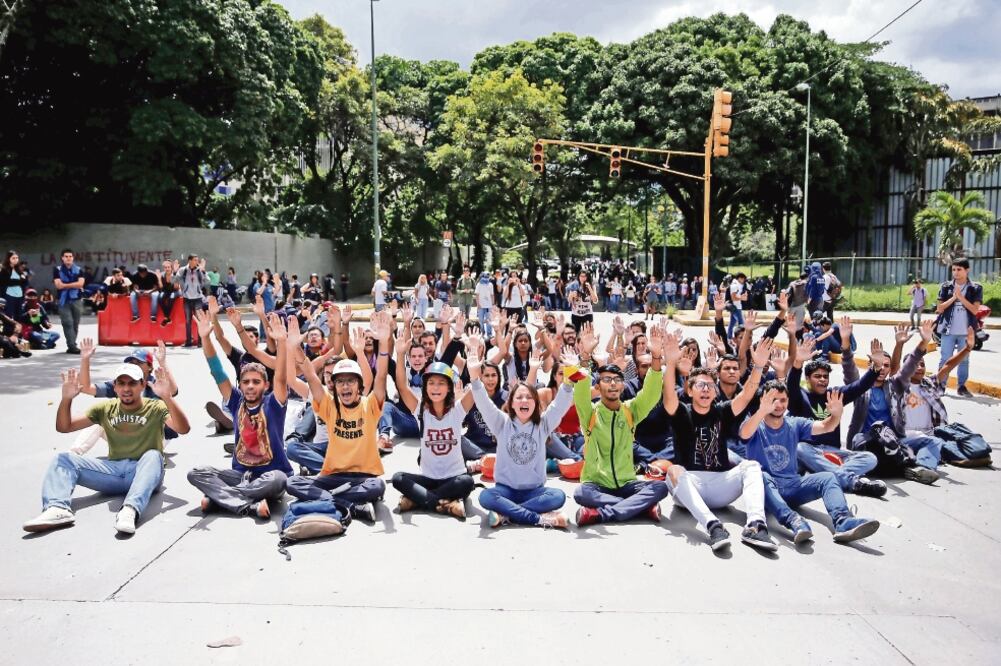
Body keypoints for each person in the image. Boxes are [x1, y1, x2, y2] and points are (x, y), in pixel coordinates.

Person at [23, 361, 190, 534]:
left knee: (154, 455)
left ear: (142, 385)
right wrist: (66, 400)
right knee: (63, 459)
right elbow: (64, 427)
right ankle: (57, 509)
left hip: (144, 471)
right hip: (114, 473)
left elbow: (183, 429)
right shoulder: (105, 408)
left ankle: (130, 510)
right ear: (115, 387)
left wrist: (167, 398)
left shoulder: (155, 407)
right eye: (121, 383)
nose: (126, 388)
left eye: (132, 383)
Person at [662, 332, 776, 552]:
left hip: (721, 485)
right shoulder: (681, 413)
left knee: (751, 466)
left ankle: (755, 526)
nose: (705, 389)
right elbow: (669, 397)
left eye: (709, 386)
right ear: (689, 390)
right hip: (690, 486)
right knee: (673, 470)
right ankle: (713, 526)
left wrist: (759, 367)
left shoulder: (722, 411)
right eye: (700, 385)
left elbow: (747, 394)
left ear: (715, 392)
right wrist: (670, 362)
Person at [284, 312, 394, 524]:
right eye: (340, 381)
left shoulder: (369, 405)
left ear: (360, 386)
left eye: (351, 381)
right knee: (292, 483)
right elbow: (310, 375)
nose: (345, 385)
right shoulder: (328, 404)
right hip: (333, 475)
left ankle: (327, 502)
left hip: (363, 476)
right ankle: (351, 505)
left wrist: (383, 344)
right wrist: (296, 347)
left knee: (377, 486)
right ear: (334, 385)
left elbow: (380, 376)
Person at [743, 382, 880, 544]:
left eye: (783, 400)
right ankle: (793, 520)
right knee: (761, 475)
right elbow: (745, 434)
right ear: (763, 401)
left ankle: (843, 522)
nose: (779, 405)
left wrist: (836, 415)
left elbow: (825, 426)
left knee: (828, 477)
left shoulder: (794, 423)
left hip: (793, 486)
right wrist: (761, 412)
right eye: (773, 400)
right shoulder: (754, 424)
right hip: (766, 490)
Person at [187, 311, 291, 518]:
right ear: (240, 385)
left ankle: (222, 499)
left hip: (271, 476)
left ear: (266, 385)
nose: (250, 386)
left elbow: (280, 377)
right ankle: (247, 505)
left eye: (256, 382)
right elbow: (217, 371)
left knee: (278, 480)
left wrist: (281, 344)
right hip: (241, 475)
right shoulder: (236, 401)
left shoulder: (274, 403)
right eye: (246, 382)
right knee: (196, 473)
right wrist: (206, 338)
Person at [467, 338, 579, 528]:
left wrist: (570, 374)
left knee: (558, 496)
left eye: (529, 397)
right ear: (511, 403)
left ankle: (506, 514)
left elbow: (560, 404)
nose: (524, 400)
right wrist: (474, 376)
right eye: (519, 397)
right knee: (485, 496)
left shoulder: (542, 424)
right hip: (505, 490)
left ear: (535, 403)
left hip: (535, 491)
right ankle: (539, 518)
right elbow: (484, 403)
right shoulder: (501, 423)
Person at [573, 324, 669, 527]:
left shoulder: (630, 410)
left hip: (627, 483)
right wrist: (584, 357)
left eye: (617, 379)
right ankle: (640, 507)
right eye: (607, 380)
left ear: (623, 385)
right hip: (597, 484)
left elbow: (651, 394)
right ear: (598, 387)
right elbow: (579, 391)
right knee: (581, 493)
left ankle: (601, 514)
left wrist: (657, 356)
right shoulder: (590, 413)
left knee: (661, 488)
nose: (613, 383)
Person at [786, 327, 885, 497]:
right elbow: (791, 386)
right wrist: (797, 364)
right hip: (810, 452)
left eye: (826, 376)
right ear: (808, 379)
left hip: (834, 453)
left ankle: (829, 474)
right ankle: (852, 482)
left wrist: (875, 368)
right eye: (818, 376)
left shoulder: (835, 394)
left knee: (870, 458)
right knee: (800, 448)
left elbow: (859, 387)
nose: (823, 380)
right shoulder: (799, 396)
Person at [847, 320, 945, 484]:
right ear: (870, 365)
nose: (882, 368)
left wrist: (923, 342)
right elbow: (848, 369)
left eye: (886, 365)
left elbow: (910, 364)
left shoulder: (894, 386)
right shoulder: (860, 388)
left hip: (893, 440)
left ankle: (920, 468)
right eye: (878, 364)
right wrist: (845, 345)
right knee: (862, 444)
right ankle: (902, 463)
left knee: (933, 441)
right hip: (867, 440)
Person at [935, 258, 982, 397]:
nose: (956, 272)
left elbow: (974, 310)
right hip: (948, 330)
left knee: (964, 360)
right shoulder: (945, 286)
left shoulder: (975, 288)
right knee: (945, 358)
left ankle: (961, 386)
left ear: (967, 270)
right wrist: (954, 298)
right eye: (953, 269)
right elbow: (940, 308)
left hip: (966, 332)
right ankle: (940, 385)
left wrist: (961, 297)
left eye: (959, 269)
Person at [52, 249, 85, 354]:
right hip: (63, 300)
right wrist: (73, 285)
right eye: (66, 256)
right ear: (62, 258)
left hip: (77, 299)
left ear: (73, 258)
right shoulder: (57, 269)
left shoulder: (79, 269)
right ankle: (72, 346)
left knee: (75, 323)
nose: (68, 258)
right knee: (67, 323)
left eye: (70, 256)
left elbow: (80, 284)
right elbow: (58, 285)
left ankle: (71, 344)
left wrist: (65, 285)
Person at [175, 254, 207, 347]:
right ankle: (188, 341)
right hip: (187, 299)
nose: (197, 262)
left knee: (199, 320)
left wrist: (203, 271)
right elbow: (174, 281)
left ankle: (200, 342)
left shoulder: (199, 270)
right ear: (189, 261)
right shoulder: (183, 270)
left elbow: (207, 281)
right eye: (195, 260)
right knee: (188, 321)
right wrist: (175, 271)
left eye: (197, 260)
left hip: (197, 299)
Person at [1, 250, 28, 318]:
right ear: (8, 259)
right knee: (8, 316)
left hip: (19, 295)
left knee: (19, 316)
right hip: (9, 295)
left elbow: (25, 282)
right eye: (13, 258)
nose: (16, 260)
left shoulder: (19, 269)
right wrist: (20, 280)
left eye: (17, 258)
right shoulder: (4, 269)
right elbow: (6, 282)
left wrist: (21, 280)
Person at [727, 273, 748, 339]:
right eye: (743, 279)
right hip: (736, 307)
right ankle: (741, 339)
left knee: (732, 324)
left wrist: (742, 297)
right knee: (741, 324)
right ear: (739, 278)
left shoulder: (736, 285)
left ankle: (729, 337)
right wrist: (742, 298)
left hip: (735, 307)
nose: (743, 281)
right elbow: (733, 298)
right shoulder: (734, 286)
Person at [475, 272, 495, 337]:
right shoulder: (479, 284)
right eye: (485, 276)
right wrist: (478, 304)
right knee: (481, 320)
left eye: (487, 276)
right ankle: (481, 332)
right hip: (481, 305)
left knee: (489, 320)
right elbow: (477, 295)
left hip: (488, 306)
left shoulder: (490, 284)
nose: (486, 278)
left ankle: (489, 333)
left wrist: (493, 304)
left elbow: (492, 295)